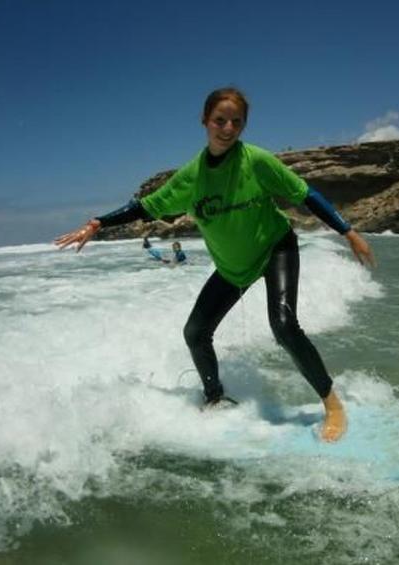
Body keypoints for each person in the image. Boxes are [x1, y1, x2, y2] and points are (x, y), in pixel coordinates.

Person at [55, 87, 375, 442]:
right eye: (220, 120)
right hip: (231, 268)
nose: (227, 128)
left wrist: (348, 232)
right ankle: (214, 398)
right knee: (195, 333)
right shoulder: (191, 178)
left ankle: (332, 404)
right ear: (205, 121)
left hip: (275, 249)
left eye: (236, 122)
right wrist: (98, 222)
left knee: (283, 326)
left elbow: (306, 194)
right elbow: (145, 206)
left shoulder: (256, 161)